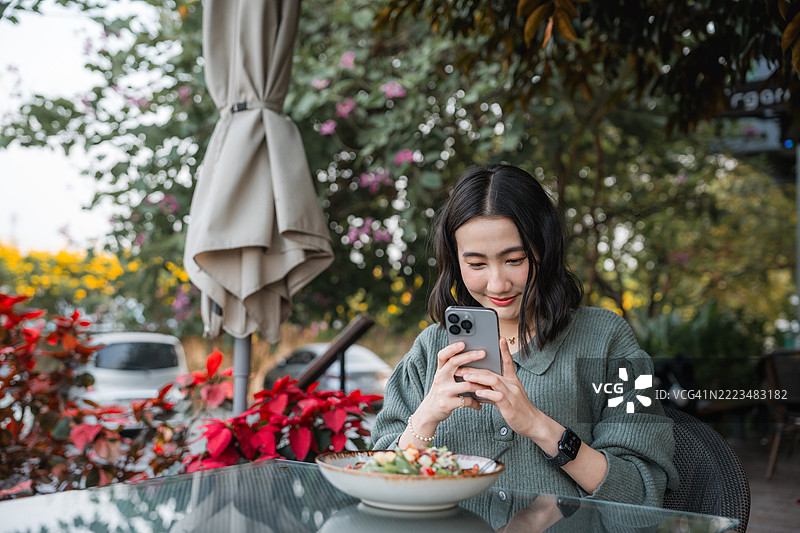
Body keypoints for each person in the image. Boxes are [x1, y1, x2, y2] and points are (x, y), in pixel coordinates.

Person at [371, 164, 679, 507]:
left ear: (545, 249)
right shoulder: (430, 350)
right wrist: (426, 417)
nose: (497, 284)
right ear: (455, 261)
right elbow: (381, 487)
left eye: (515, 260)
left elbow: (641, 491)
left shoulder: (606, 340)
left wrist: (537, 426)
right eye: (476, 264)